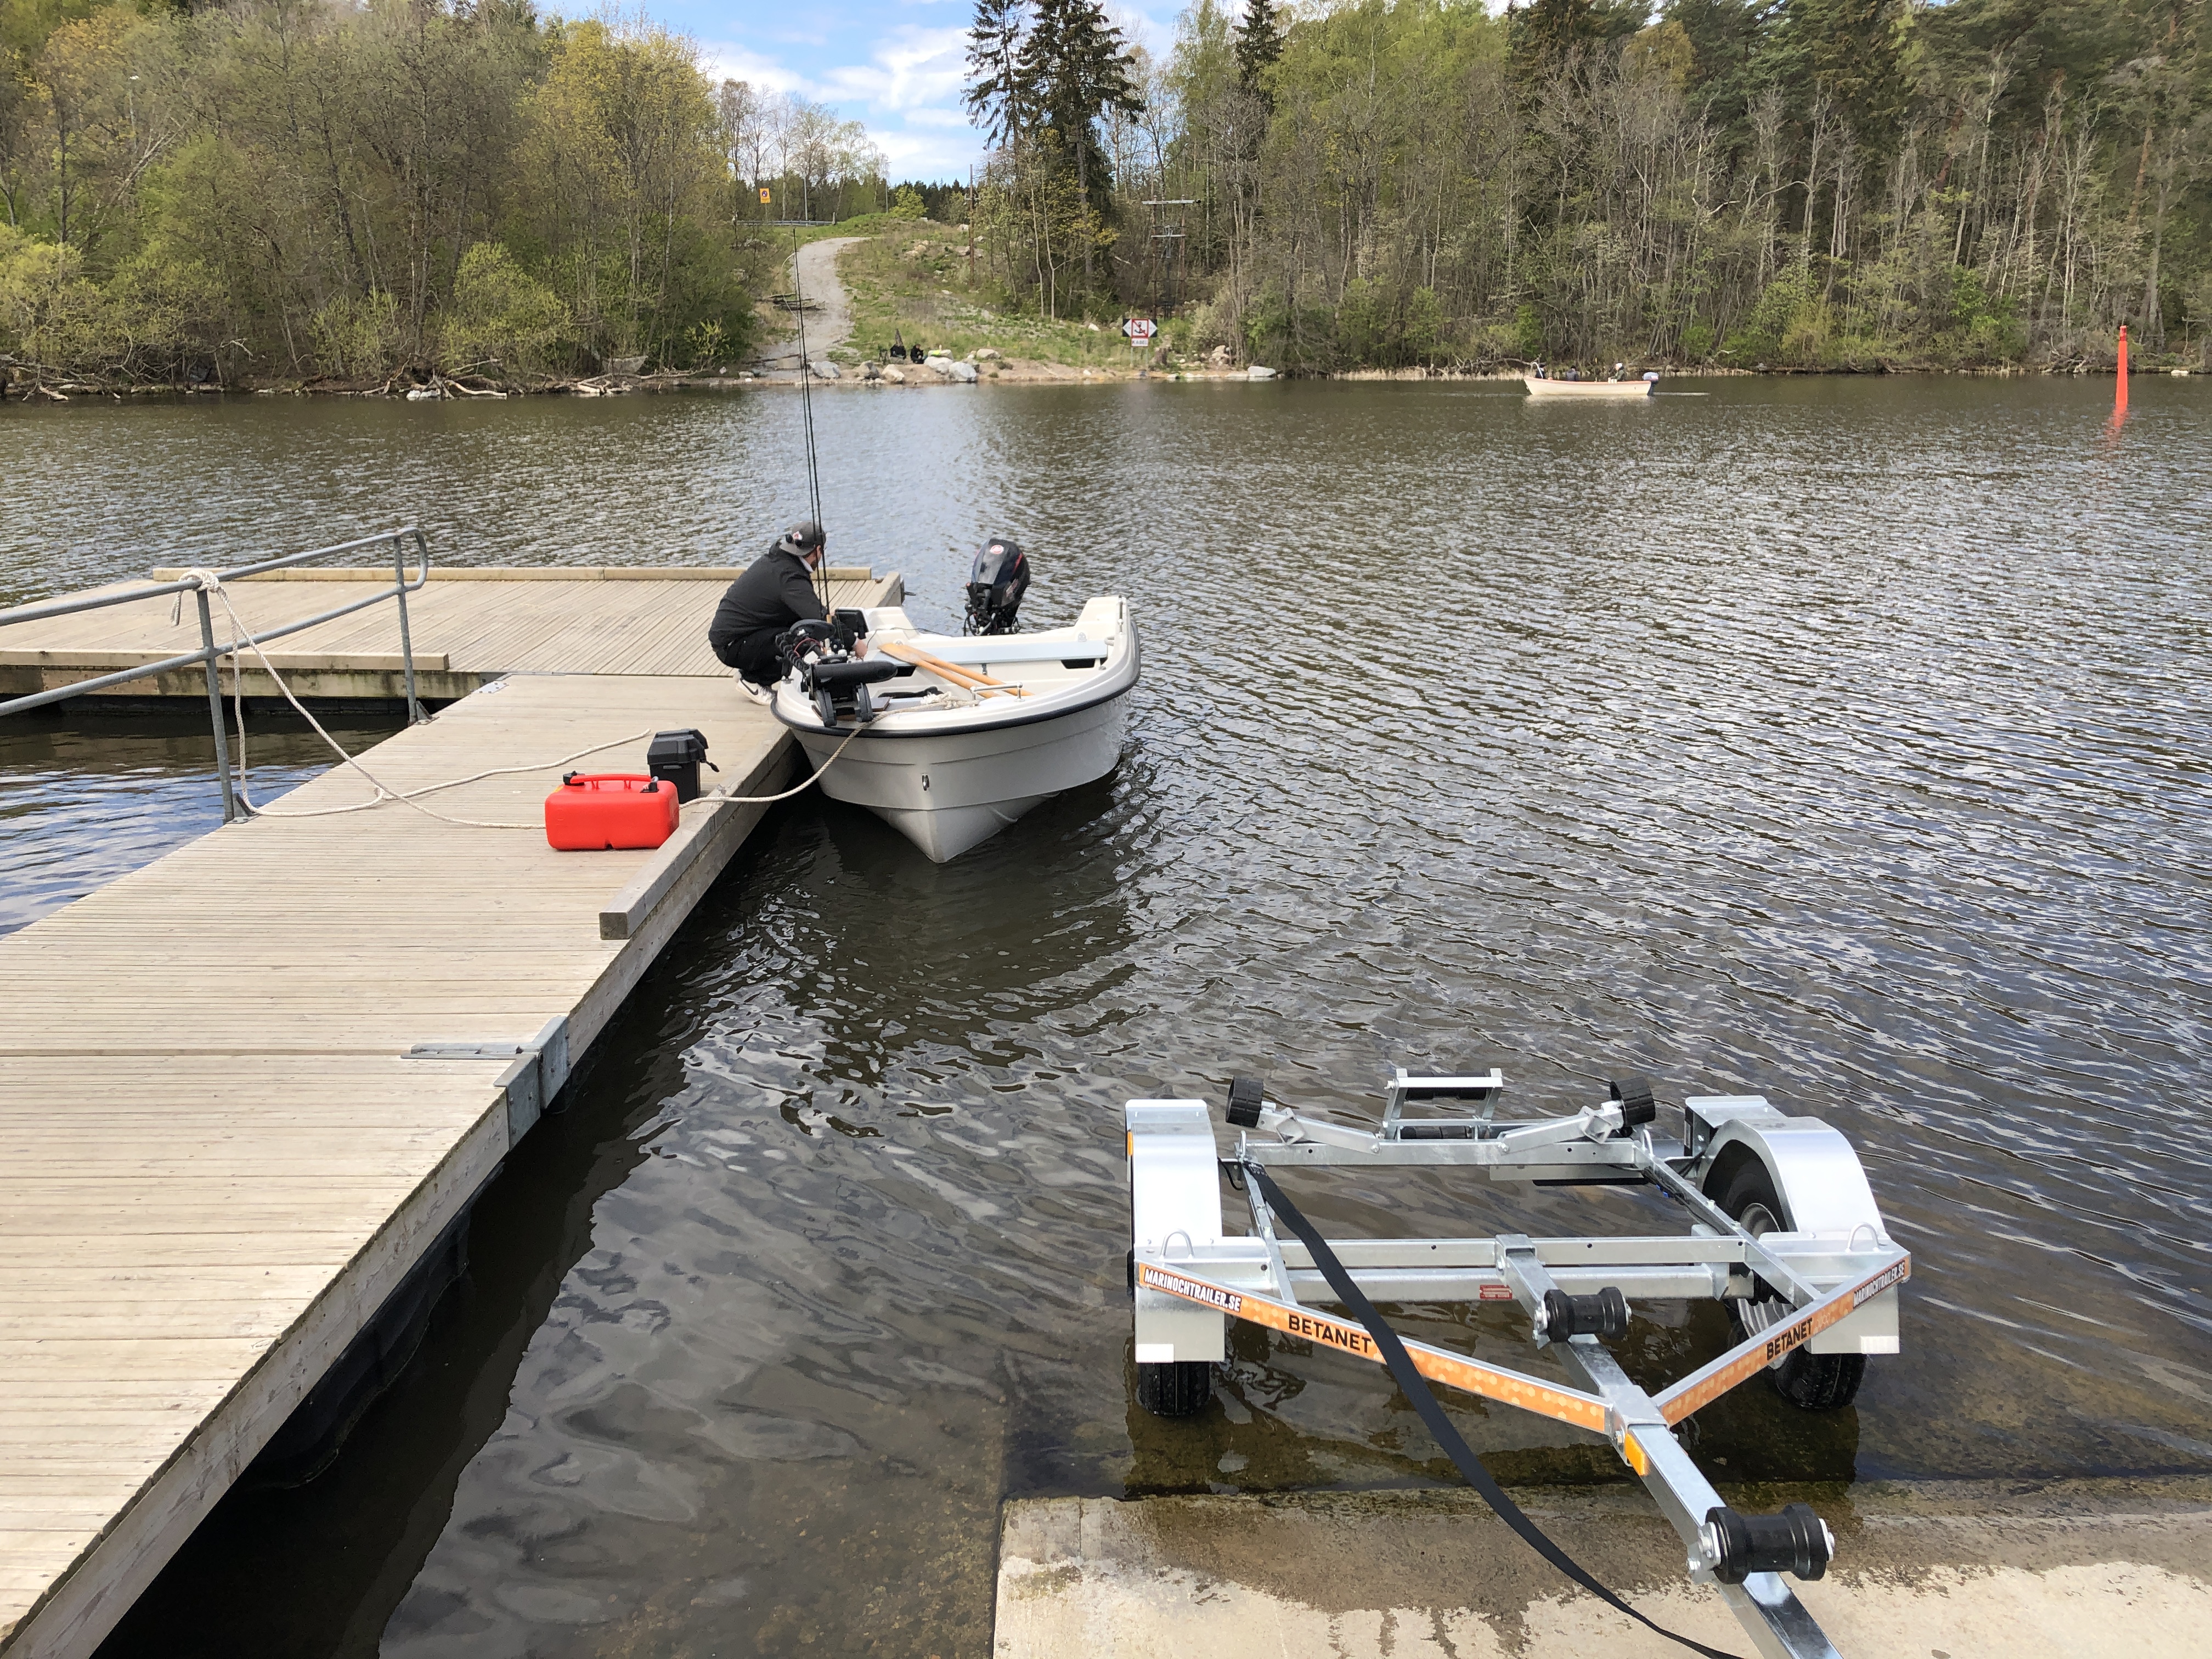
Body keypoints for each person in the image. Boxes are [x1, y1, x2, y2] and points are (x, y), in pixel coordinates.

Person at [708, 520, 859, 701]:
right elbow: (819, 618)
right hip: (734, 646)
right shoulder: (790, 577)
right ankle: (753, 681)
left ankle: (748, 671)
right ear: (818, 551)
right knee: (806, 636)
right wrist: (856, 644)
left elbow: (809, 610)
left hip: (735, 639)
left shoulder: (780, 560)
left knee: (798, 623)